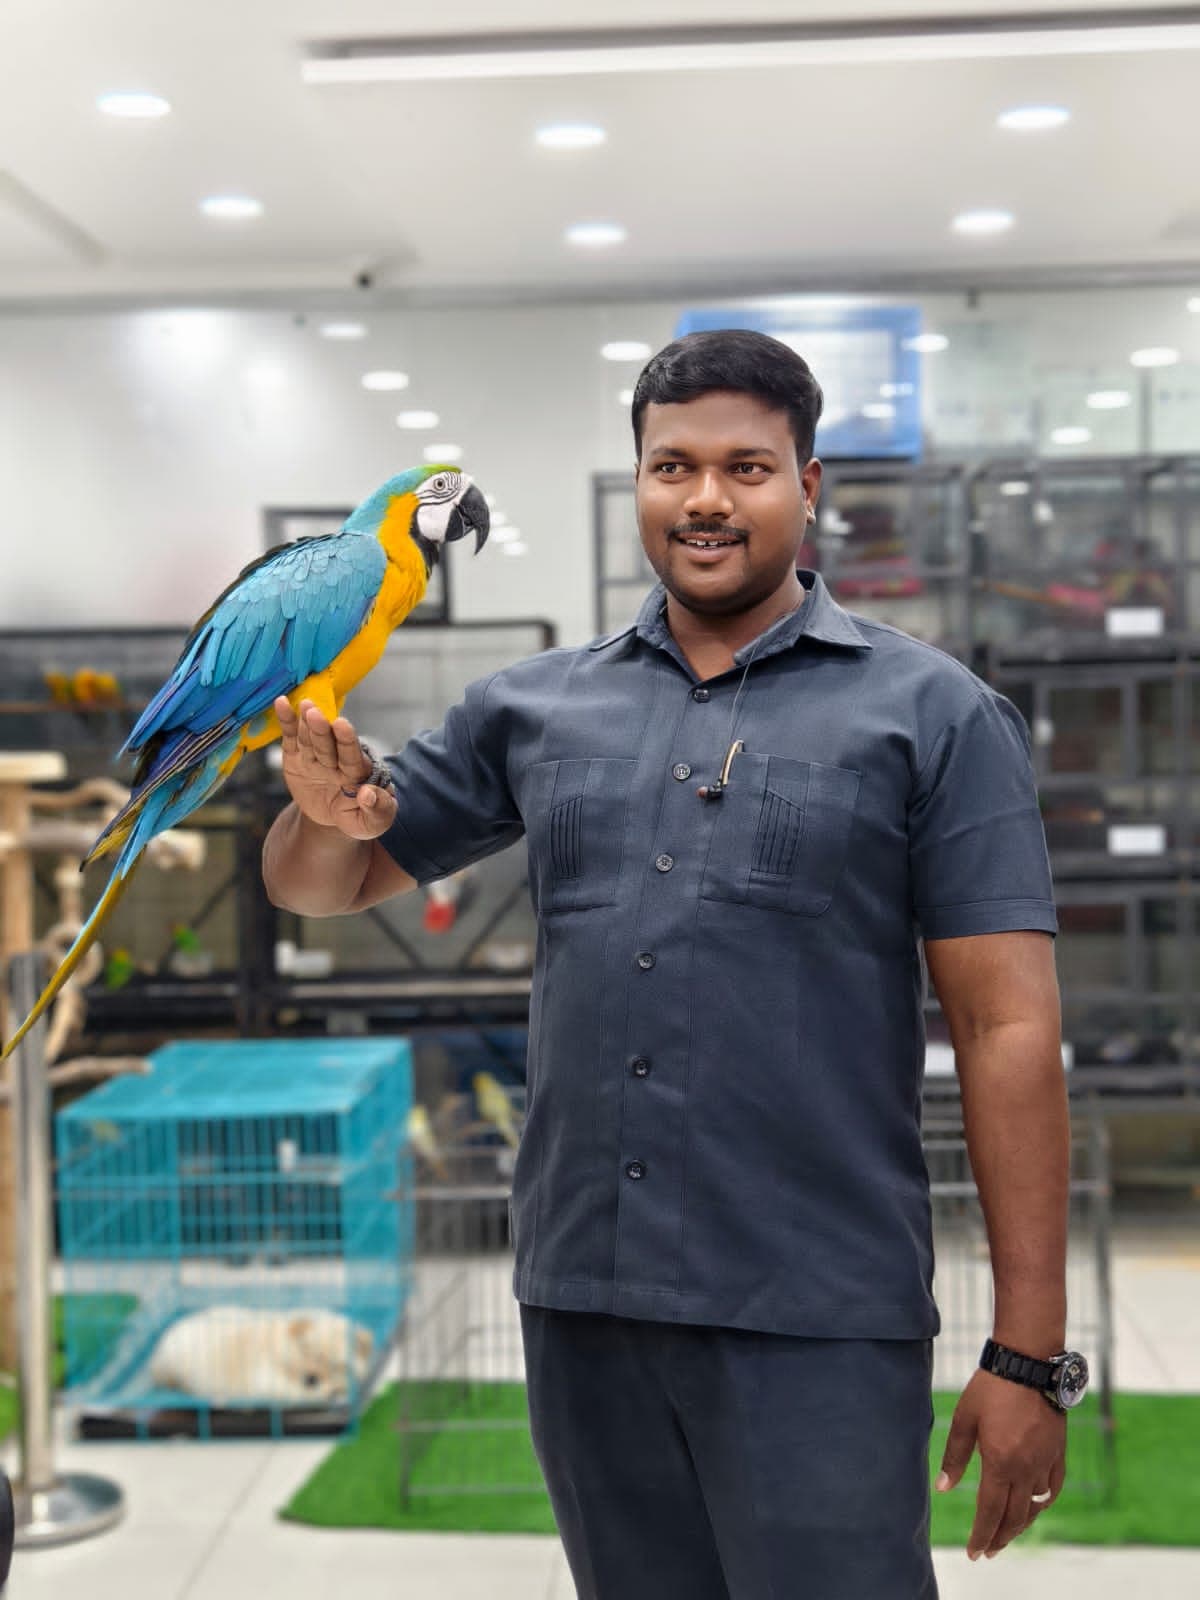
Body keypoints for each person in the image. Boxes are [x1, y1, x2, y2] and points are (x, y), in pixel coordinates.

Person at [263, 328, 1081, 1599]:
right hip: (585, 1306)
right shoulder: (533, 708)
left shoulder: (934, 715)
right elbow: (324, 883)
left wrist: (1030, 1350)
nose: (706, 499)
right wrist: (321, 805)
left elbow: (1008, 1029)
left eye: (748, 467)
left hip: (818, 1311)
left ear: (809, 486)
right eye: (672, 465)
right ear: (639, 479)